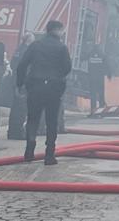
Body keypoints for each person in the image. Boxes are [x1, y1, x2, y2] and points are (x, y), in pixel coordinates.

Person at [16, 20, 72, 165]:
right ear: (58, 30)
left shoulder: (35, 45)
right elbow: (67, 68)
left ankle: (29, 150)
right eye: (62, 30)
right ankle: (49, 155)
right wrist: (57, 77)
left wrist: (20, 83)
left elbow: (22, 65)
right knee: (51, 121)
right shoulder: (62, 48)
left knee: (33, 118)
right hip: (53, 88)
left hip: (35, 86)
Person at [7, 33, 34, 140]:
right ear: (28, 40)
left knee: (15, 108)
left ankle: (12, 131)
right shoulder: (26, 51)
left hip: (17, 81)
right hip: (22, 82)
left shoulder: (19, 49)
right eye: (33, 39)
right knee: (21, 108)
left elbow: (13, 64)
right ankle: (18, 132)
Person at [86, 44, 110, 115]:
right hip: (100, 78)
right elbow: (107, 65)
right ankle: (101, 110)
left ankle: (93, 110)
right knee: (101, 94)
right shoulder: (103, 55)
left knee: (93, 95)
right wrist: (109, 75)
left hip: (92, 78)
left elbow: (83, 58)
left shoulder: (90, 54)